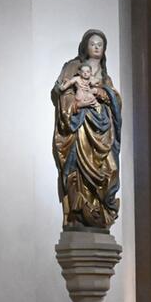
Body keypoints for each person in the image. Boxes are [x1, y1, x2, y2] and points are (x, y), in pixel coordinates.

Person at [51, 29, 122, 229]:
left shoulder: (106, 78)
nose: (97, 47)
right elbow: (61, 91)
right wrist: (75, 105)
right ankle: (78, 212)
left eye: (100, 44)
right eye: (93, 43)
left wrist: (103, 92)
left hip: (103, 130)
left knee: (109, 169)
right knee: (78, 170)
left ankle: (101, 211)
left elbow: (115, 100)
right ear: (85, 46)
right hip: (80, 127)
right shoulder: (73, 67)